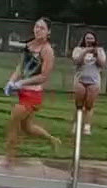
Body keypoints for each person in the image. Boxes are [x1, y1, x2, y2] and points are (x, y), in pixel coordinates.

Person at [4, 18, 64, 165]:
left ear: (48, 32)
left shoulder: (47, 50)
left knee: (13, 121)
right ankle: (53, 140)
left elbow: (43, 76)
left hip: (32, 94)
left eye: (42, 28)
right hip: (22, 90)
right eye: (36, 27)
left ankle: (9, 158)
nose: (38, 30)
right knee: (27, 128)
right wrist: (11, 81)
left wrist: (22, 83)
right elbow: (21, 66)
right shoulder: (29, 45)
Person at [70, 30, 107, 136]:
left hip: (94, 81)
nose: (90, 40)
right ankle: (76, 124)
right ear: (84, 39)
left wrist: (96, 54)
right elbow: (76, 61)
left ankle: (87, 127)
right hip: (80, 80)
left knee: (89, 105)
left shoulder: (100, 50)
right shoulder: (78, 49)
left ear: (95, 40)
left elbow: (102, 63)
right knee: (79, 104)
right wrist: (85, 51)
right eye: (87, 38)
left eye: (91, 38)